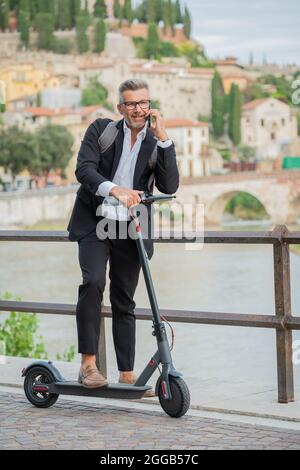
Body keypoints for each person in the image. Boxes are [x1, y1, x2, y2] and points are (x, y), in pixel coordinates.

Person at [67, 78, 179, 395]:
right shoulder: (101, 131)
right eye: (131, 103)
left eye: (143, 103)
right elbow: (84, 170)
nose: (138, 109)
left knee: (124, 299)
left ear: (150, 105)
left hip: (130, 227)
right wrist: (114, 189)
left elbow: (169, 187)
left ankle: (126, 373)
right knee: (93, 283)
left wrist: (164, 137)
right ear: (121, 108)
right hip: (94, 220)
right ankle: (88, 364)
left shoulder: (156, 143)